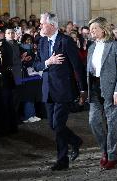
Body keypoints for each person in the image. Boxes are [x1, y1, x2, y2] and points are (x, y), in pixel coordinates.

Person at [33, 12, 87, 171]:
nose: (40, 26)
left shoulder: (65, 41)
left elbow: (78, 66)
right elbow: (37, 65)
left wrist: (83, 90)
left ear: (52, 25)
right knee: (53, 125)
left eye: (42, 23)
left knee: (58, 124)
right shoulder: (41, 41)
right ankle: (75, 141)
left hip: (64, 90)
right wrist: (47, 62)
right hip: (47, 90)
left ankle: (62, 160)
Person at [87, 17, 117, 170]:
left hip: (111, 90)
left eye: (94, 29)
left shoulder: (114, 45)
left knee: (112, 123)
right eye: (90, 30)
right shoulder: (91, 47)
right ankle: (104, 150)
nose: (91, 32)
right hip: (95, 89)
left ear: (103, 29)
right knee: (93, 121)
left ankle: (112, 156)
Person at [0, 24, 18, 135]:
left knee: (4, 105)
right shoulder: (6, 45)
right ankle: (12, 127)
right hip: (8, 77)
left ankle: (5, 128)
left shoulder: (1, 46)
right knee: (9, 104)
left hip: (2, 79)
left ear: (1, 33)